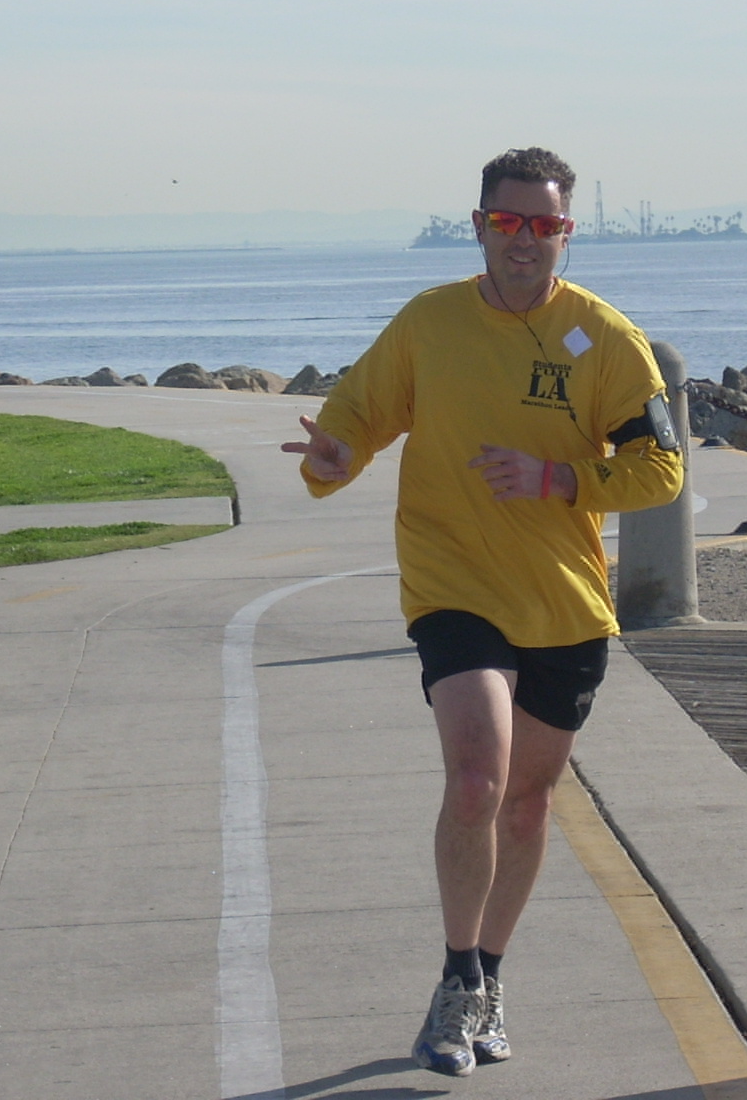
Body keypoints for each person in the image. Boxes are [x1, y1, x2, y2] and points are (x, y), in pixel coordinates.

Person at [283, 146, 683, 1077]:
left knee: (529, 808)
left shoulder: (605, 339)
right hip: (453, 585)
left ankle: (489, 977)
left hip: (564, 600)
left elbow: (660, 470)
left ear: (567, 233)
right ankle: (458, 979)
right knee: (476, 783)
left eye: (545, 225)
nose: (525, 241)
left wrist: (560, 480)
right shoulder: (431, 323)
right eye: (508, 222)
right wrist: (334, 460)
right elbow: (356, 418)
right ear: (479, 227)